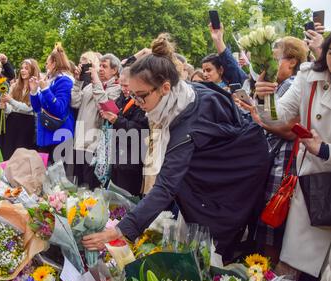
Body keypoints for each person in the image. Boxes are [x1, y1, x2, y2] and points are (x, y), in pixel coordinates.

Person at [82, 34, 270, 262]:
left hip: (238, 172)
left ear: (165, 87)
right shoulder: (179, 96)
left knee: (211, 236)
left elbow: (166, 186)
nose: (138, 104)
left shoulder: (186, 124)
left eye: (140, 97)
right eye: (133, 96)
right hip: (217, 162)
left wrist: (119, 230)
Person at [252, 33, 331, 281]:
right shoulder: (309, 76)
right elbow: (280, 116)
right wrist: (266, 98)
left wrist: (326, 150)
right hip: (311, 188)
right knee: (293, 270)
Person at [236, 36, 309, 264]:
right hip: (273, 160)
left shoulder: (295, 85)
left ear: (292, 62)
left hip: (285, 164)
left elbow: (289, 130)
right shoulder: (277, 84)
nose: (269, 65)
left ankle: (267, 278)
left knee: (272, 225)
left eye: (274, 58)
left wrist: (261, 121)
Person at [71, 53, 122, 189]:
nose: (100, 69)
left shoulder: (117, 89)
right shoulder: (89, 86)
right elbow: (75, 102)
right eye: (99, 66)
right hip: (80, 142)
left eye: (104, 66)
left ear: (115, 70)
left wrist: (96, 82)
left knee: (92, 188)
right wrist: (78, 81)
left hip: (96, 146)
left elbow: (105, 105)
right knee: (79, 186)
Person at [100, 67, 148, 196]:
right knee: (114, 195)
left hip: (131, 159)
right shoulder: (123, 97)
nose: (123, 89)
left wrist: (116, 120)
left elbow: (139, 131)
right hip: (116, 156)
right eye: (121, 85)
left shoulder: (141, 102)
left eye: (126, 86)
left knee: (126, 198)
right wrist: (107, 114)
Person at [29, 44, 75, 164]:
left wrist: (45, 90)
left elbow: (59, 108)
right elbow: (38, 108)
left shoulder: (65, 81)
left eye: (47, 63)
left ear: (54, 63)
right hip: (46, 133)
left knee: (57, 177)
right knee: (41, 172)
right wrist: (34, 91)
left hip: (59, 135)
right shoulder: (49, 81)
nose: (46, 65)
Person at [2, 58, 40, 160]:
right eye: (22, 68)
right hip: (12, 121)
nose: (23, 70)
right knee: (8, 152)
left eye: (26, 68)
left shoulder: (36, 87)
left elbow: (29, 108)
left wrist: (10, 101)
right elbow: (10, 108)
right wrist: (5, 107)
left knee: (22, 154)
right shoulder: (14, 86)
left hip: (26, 124)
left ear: (32, 70)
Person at [201, 23, 248, 89]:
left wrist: (218, 40)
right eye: (203, 71)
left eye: (208, 70)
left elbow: (231, 65)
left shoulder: (231, 88)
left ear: (220, 70)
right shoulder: (203, 89)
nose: (205, 74)